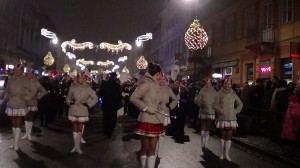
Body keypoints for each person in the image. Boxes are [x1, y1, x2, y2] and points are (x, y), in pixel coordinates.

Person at [130, 62, 164, 168]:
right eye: (160, 74)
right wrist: (145, 108)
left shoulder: (157, 84)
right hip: (146, 119)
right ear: (158, 73)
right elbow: (133, 98)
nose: (161, 76)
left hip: (157, 119)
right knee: (145, 148)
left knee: (152, 150)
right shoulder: (146, 83)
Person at [4, 64, 36, 150]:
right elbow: (7, 89)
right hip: (11, 103)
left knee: (17, 125)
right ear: (14, 71)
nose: (17, 72)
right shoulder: (11, 79)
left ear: (22, 71)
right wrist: (6, 96)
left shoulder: (25, 80)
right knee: (13, 125)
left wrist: (26, 97)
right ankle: (14, 143)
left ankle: (16, 144)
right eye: (16, 70)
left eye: (19, 70)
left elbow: (33, 90)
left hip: (20, 104)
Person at [65, 72, 97, 154]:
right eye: (79, 78)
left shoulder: (88, 88)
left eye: (83, 78)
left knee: (80, 129)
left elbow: (95, 98)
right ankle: (75, 146)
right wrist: (70, 102)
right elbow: (68, 98)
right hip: (74, 109)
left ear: (85, 79)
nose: (81, 80)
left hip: (83, 110)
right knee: (75, 128)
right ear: (77, 78)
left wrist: (88, 104)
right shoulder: (72, 87)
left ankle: (77, 146)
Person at [214, 78, 243, 161]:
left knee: (229, 136)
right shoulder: (219, 93)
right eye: (226, 84)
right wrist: (220, 110)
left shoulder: (234, 93)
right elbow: (215, 105)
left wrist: (236, 111)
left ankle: (227, 154)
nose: (227, 85)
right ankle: (222, 153)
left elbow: (240, 104)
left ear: (231, 84)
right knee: (223, 135)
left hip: (231, 118)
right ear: (224, 84)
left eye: (229, 84)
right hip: (222, 118)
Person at [21, 69, 47, 141]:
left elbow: (44, 91)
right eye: (27, 74)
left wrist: (38, 96)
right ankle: (26, 133)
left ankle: (29, 133)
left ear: (32, 75)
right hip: (25, 102)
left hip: (33, 102)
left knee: (31, 117)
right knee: (25, 117)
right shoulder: (24, 82)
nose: (28, 75)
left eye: (30, 74)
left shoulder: (36, 83)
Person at [156, 74, 178, 158]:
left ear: (166, 80)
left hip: (164, 113)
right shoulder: (154, 88)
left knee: (162, 132)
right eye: (160, 79)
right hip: (155, 112)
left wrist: (170, 106)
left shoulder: (168, 89)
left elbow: (175, 99)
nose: (161, 81)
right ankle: (154, 149)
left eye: (163, 79)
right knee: (155, 132)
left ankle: (159, 151)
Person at [194, 77, 217, 148]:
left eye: (209, 83)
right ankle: (202, 142)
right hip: (203, 111)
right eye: (206, 83)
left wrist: (215, 106)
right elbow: (196, 100)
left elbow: (217, 100)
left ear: (211, 84)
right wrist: (201, 104)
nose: (208, 84)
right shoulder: (202, 91)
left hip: (211, 111)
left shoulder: (214, 91)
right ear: (205, 83)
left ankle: (206, 143)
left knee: (208, 127)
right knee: (203, 127)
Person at [99, 72, 123, 138]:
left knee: (105, 117)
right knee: (113, 118)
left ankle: (105, 130)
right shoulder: (117, 85)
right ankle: (110, 130)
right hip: (114, 104)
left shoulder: (104, 84)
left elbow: (100, 93)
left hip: (106, 103)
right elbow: (119, 96)